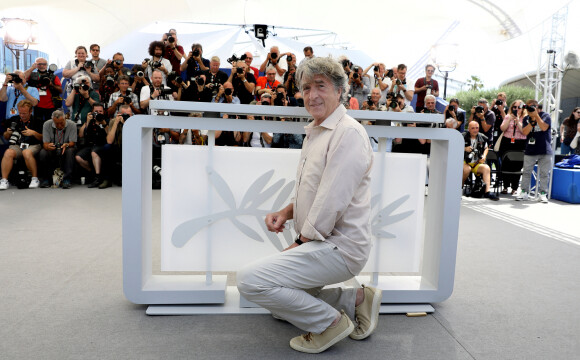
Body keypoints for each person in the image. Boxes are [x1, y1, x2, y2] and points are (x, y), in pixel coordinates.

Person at [237, 56, 381, 354]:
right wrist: (286, 212)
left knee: (250, 282)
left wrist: (299, 243)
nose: (312, 94)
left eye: (320, 86)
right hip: (321, 242)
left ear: (339, 90)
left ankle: (330, 323)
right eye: (305, 87)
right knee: (281, 307)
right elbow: (311, 189)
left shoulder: (348, 133)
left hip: (340, 248)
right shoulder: (317, 129)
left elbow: (331, 201)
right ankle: (355, 299)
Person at [0, 100, 43, 190]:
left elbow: (43, 139)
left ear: (30, 111)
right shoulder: (13, 120)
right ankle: (4, 180)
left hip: (33, 144)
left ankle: (34, 179)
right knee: (8, 152)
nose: (22, 115)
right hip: (17, 145)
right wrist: (7, 133)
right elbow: (6, 137)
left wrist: (34, 133)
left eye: (24, 113)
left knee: (26, 153)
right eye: (20, 113)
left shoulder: (37, 120)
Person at [517, 100, 553, 203]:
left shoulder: (545, 115)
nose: (531, 109)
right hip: (530, 149)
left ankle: (542, 194)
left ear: (538, 106)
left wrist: (536, 116)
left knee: (544, 173)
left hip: (544, 149)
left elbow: (544, 127)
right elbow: (524, 132)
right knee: (526, 172)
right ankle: (524, 192)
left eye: (532, 107)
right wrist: (531, 122)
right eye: (529, 107)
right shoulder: (526, 118)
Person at [38, 109, 77, 189]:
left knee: (70, 151)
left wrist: (67, 145)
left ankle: (67, 179)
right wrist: (48, 146)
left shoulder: (72, 124)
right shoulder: (46, 124)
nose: (59, 126)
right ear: (53, 121)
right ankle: (46, 179)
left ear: (65, 118)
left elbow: (72, 143)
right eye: (56, 123)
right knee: (43, 152)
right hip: (53, 148)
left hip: (66, 147)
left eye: (61, 123)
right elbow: (45, 144)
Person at [462, 121, 499, 201]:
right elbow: (454, 147)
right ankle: (459, 189)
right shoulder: (462, 136)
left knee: (486, 168)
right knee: (467, 169)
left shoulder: (482, 137)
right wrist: (464, 149)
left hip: (477, 162)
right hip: (465, 162)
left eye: (477, 128)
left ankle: (487, 191)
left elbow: (486, 148)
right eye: (473, 128)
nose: (475, 130)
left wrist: (484, 156)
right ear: (468, 129)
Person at [75, 103, 109, 188]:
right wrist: (87, 122)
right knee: (78, 157)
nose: (98, 113)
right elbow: (81, 135)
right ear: (92, 112)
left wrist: (104, 124)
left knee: (94, 152)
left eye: (100, 111)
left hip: (102, 145)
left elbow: (110, 136)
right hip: (90, 145)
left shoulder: (106, 120)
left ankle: (97, 178)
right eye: (96, 111)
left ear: (103, 112)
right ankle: (94, 173)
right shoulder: (90, 121)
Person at [498, 100, 527, 194]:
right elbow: (502, 128)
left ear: (522, 108)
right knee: (506, 164)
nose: (516, 109)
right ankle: (505, 186)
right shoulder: (508, 116)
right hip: (507, 142)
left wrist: (518, 121)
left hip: (520, 142)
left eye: (519, 107)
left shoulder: (525, 118)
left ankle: (514, 187)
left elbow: (524, 131)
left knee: (517, 165)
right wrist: (510, 119)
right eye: (514, 107)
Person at [23, 57, 63, 123]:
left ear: (47, 65)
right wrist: (32, 68)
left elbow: (60, 90)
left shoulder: (53, 76)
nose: (42, 66)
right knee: (37, 125)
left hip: (51, 106)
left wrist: (51, 84)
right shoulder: (32, 75)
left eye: (44, 64)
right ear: (35, 64)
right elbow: (23, 77)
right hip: (35, 105)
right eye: (39, 64)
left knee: (50, 125)